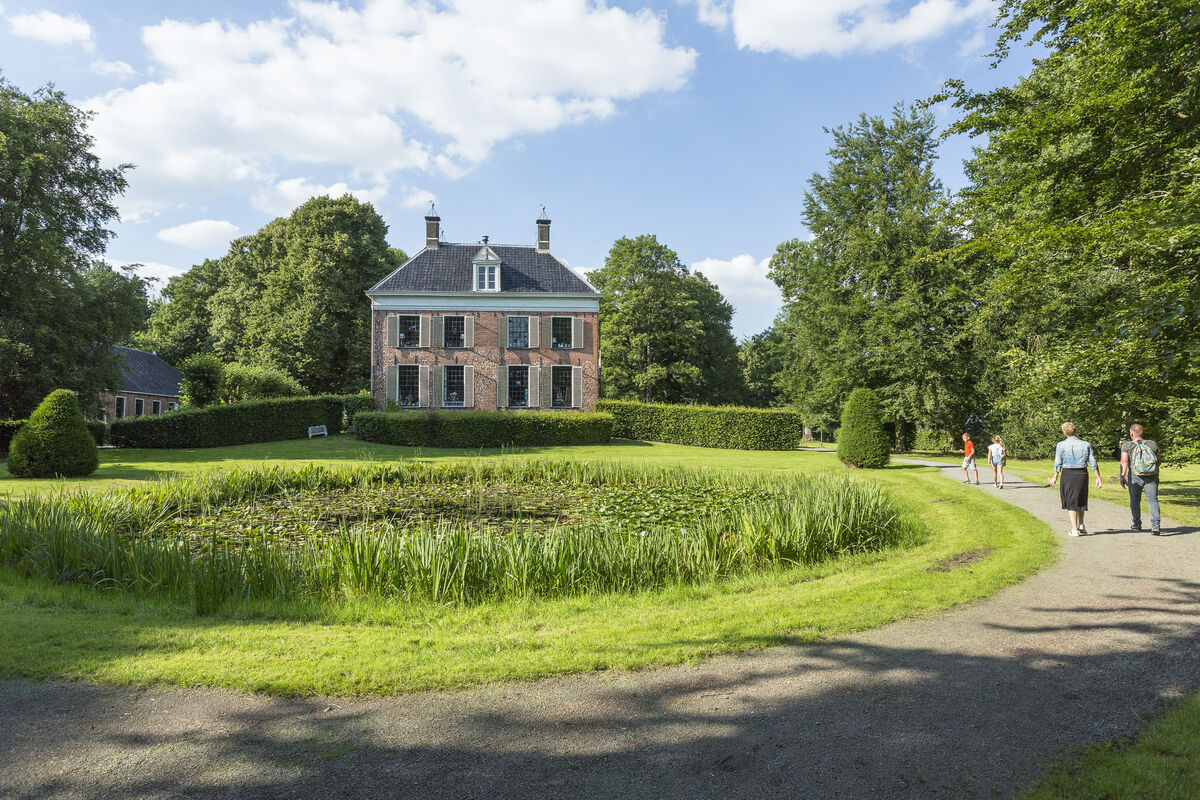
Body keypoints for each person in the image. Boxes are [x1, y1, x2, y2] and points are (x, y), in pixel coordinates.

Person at [1049, 422, 1103, 536]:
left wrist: (1055, 477)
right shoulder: (1085, 444)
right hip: (1082, 473)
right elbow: (1093, 462)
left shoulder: (1061, 445)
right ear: (1075, 431)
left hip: (1068, 474)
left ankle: (1074, 529)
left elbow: (1058, 462)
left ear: (1064, 432)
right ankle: (1081, 525)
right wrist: (1098, 477)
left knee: (1071, 501)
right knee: (1081, 498)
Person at [1119, 423, 1161, 535]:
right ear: (1142, 433)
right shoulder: (1152, 444)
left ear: (1131, 434)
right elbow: (1159, 460)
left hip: (1135, 476)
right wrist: (1153, 471)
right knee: (1153, 500)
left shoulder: (1127, 445)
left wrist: (1122, 476)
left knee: (1135, 500)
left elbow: (1124, 461)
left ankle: (1137, 524)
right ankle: (1155, 525)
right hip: (1152, 476)